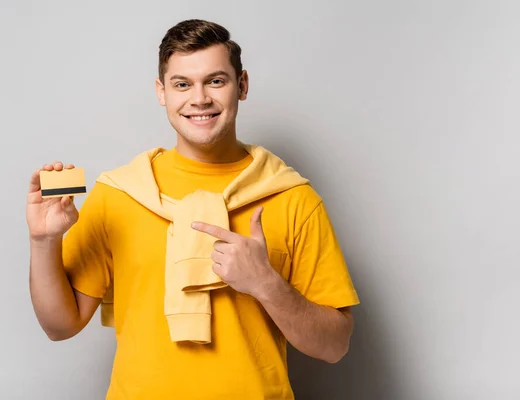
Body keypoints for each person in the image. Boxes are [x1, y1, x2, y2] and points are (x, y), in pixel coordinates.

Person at [26, 18, 360, 400]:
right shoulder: (120, 193)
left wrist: (266, 285)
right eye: (182, 84)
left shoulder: (292, 197)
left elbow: (334, 347)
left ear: (243, 85)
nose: (199, 98)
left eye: (216, 81)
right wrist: (42, 241)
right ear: (161, 92)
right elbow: (59, 326)